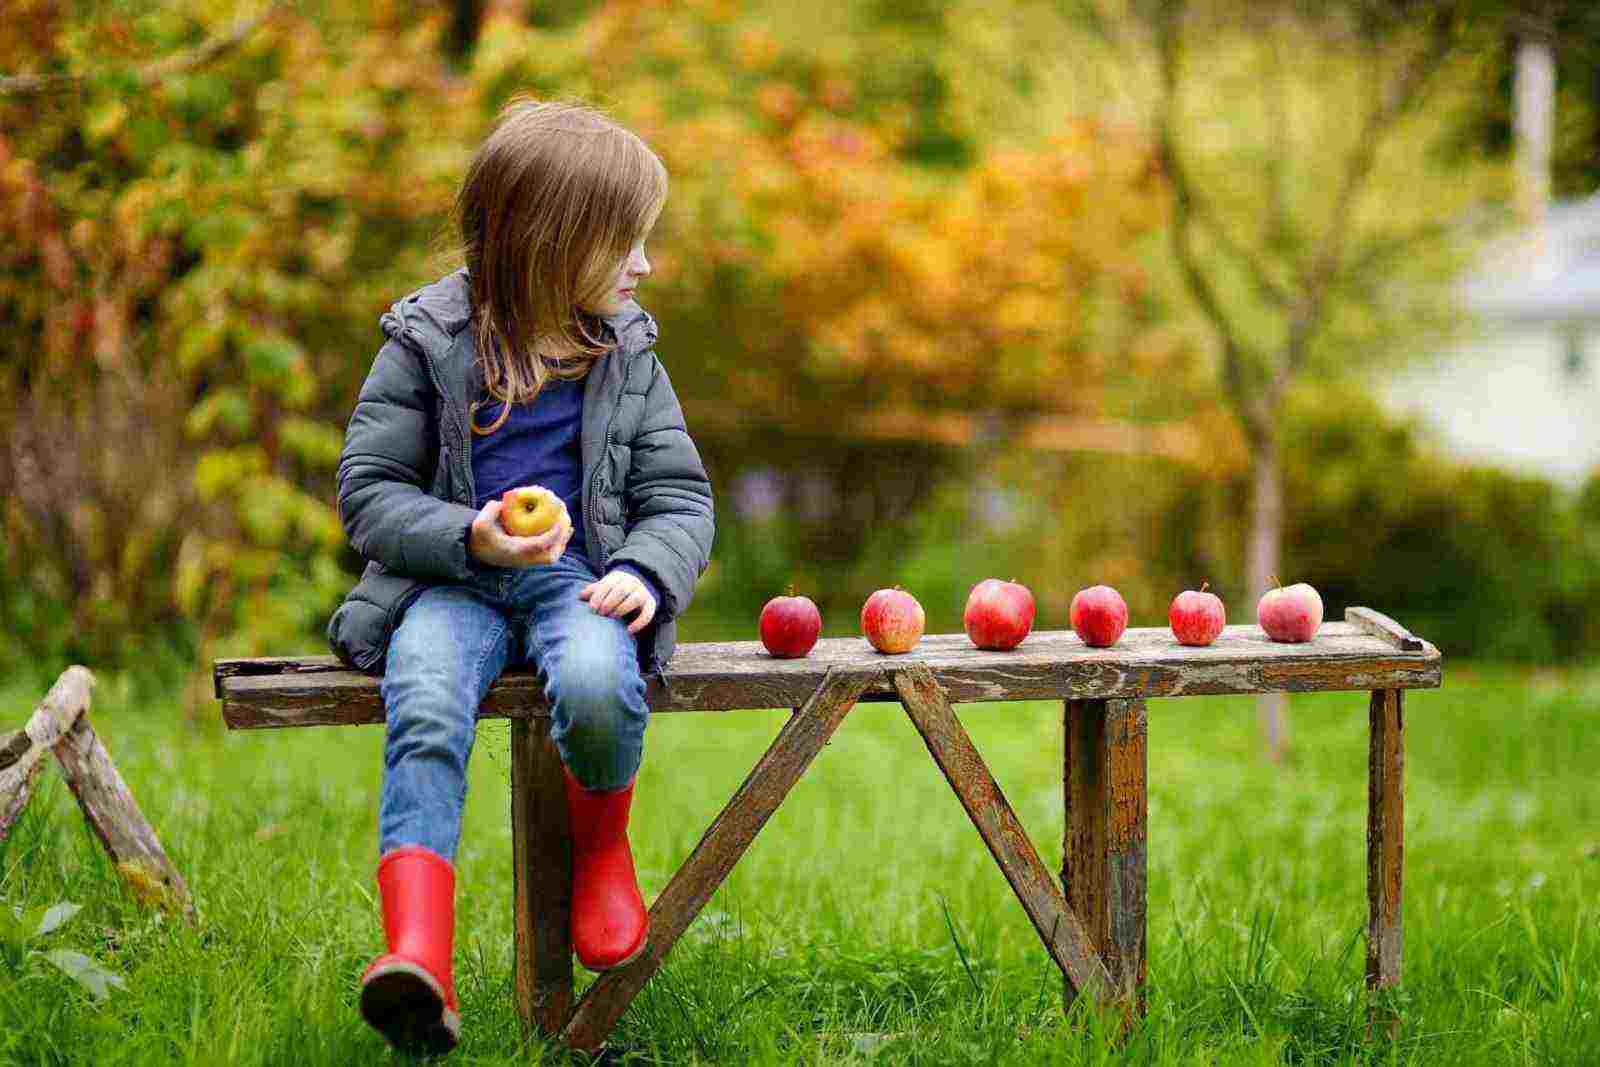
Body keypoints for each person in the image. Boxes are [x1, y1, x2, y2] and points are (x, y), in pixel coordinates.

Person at [325, 96, 716, 1055]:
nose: (644, 264)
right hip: (450, 582)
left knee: (594, 678)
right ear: (554, 243)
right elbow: (369, 491)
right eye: (626, 243)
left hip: (574, 580)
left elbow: (681, 497)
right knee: (424, 702)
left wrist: (645, 573)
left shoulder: (625, 354)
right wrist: (471, 535)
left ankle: (603, 852)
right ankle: (417, 955)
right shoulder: (426, 341)